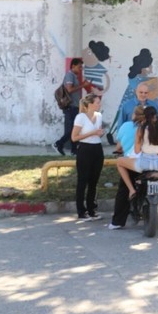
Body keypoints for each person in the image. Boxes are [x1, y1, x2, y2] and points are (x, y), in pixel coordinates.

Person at [116, 106, 158, 228]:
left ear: (144, 117)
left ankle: (131, 190)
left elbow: (137, 150)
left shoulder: (140, 129)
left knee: (119, 162)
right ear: (156, 116)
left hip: (144, 164)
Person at [108, 106, 145, 229]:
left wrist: (120, 150)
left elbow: (119, 147)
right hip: (152, 162)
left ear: (134, 115)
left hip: (131, 163)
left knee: (123, 190)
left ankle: (117, 221)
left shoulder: (125, 126)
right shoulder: (153, 127)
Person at [71, 93, 104, 221]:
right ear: (90, 104)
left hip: (97, 148)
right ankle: (81, 211)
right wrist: (92, 133)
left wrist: (99, 133)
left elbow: (97, 132)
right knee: (82, 180)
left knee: (93, 181)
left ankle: (92, 209)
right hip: (85, 149)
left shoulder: (99, 116)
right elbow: (74, 137)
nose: (99, 104)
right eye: (97, 102)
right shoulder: (81, 117)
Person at [53, 58, 92, 156]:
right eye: (79, 67)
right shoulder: (70, 75)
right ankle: (58, 144)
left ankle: (74, 150)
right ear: (73, 66)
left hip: (75, 106)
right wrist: (83, 85)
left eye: (81, 67)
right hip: (70, 107)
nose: (80, 69)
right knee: (72, 130)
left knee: (76, 129)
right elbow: (69, 89)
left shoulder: (73, 76)